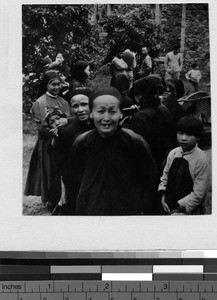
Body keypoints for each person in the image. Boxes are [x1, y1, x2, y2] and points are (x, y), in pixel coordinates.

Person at [67, 87, 157, 215]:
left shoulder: (134, 142)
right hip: (91, 210)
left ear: (120, 113)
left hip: (126, 211)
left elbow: (149, 182)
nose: (106, 118)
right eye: (100, 111)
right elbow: (73, 182)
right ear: (91, 113)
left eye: (112, 111)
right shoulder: (82, 143)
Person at [24, 71, 71, 208]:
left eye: (59, 84)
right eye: (53, 84)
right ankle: (50, 200)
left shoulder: (64, 102)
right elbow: (41, 127)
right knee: (49, 169)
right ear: (46, 85)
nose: (57, 87)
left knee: (61, 170)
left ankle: (62, 199)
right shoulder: (40, 102)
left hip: (62, 141)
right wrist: (53, 135)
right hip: (47, 143)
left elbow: (68, 121)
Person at [158, 116, 211, 215]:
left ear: (198, 137)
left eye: (189, 134)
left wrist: (179, 209)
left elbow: (198, 193)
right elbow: (165, 177)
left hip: (186, 211)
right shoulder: (173, 153)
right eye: (180, 133)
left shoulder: (201, 159)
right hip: (168, 204)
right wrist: (163, 197)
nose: (183, 138)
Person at [130, 75, 173, 182]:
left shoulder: (140, 117)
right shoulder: (164, 109)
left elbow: (137, 147)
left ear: (140, 95)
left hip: (145, 166)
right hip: (161, 161)